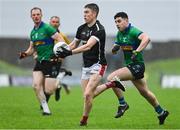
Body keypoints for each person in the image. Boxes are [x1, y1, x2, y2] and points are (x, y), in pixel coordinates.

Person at [57, 3, 125, 126]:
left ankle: (83, 121)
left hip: (98, 65)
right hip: (86, 66)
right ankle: (112, 84)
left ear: (94, 14)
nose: (84, 15)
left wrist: (69, 53)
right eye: (84, 12)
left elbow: (88, 46)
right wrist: (63, 50)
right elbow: (74, 44)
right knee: (88, 96)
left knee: (88, 93)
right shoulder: (81, 28)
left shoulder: (99, 29)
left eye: (87, 12)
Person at [98, 12, 169, 125]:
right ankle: (161, 112)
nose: (117, 24)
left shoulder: (133, 31)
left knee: (111, 78)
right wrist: (114, 49)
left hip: (137, 66)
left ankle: (122, 104)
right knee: (144, 92)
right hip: (131, 66)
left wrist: (137, 50)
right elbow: (114, 49)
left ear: (126, 20)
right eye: (115, 22)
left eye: (119, 21)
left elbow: (146, 38)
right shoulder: (119, 34)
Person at [19, 7, 64, 115]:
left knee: (48, 90)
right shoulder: (33, 32)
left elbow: (60, 39)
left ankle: (60, 76)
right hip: (39, 61)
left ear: (41, 15)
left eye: (38, 14)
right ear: (31, 17)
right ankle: (46, 110)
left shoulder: (47, 28)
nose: (36, 16)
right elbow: (31, 49)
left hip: (50, 61)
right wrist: (24, 54)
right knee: (35, 86)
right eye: (34, 15)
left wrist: (58, 52)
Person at [49, 16, 72, 100]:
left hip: (57, 61)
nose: (55, 24)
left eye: (56, 22)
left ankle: (58, 86)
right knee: (48, 81)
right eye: (53, 22)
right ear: (50, 23)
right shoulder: (45, 34)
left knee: (51, 82)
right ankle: (62, 77)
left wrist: (63, 55)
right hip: (45, 60)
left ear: (59, 24)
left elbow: (69, 47)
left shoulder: (62, 36)